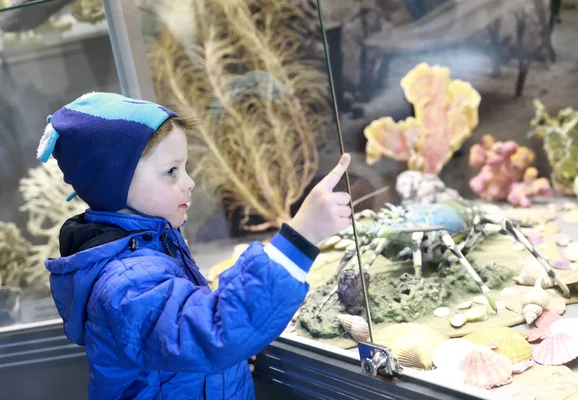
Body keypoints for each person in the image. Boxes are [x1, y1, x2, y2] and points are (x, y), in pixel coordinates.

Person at [37, 92, 352, 399]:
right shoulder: (127, 281)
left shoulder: (150, 245)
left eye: (184, 168)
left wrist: (223, 370)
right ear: (115, 183)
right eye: (171, 171)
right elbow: (211, 336)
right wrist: (299, 238)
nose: (189, 182)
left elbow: (181, 340)